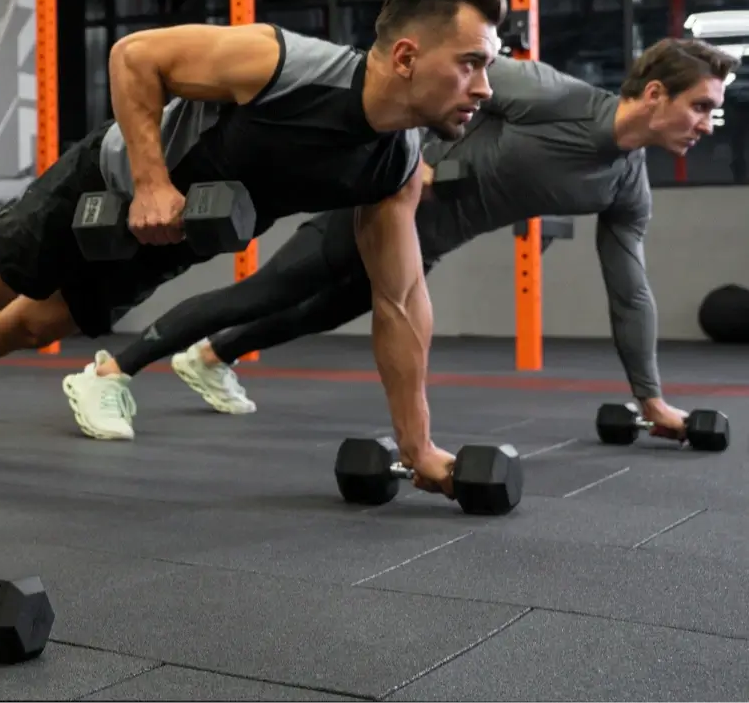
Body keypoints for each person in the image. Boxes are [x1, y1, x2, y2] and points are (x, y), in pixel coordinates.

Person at [0, 0, 505, 489]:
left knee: (27, 329)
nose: (484, 85)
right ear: (406, 56)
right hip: (103, 187)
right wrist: (152, 180)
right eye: (471, 61)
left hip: (167, 237)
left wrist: (418, 445)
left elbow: (401, 305)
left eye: (489, 65)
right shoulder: (283, 63)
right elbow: (137, 57)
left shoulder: (393, 168)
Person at [144, 36, 736, 444]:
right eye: (702, 107)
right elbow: (431, 81)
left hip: (424, 246)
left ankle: (209, 357)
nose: (709, 126)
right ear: (656, 94)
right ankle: (110, 371)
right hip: (378, 207)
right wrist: (414, 156)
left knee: (316, 314)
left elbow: (630, 293)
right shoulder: (555, 96)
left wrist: (651, 398)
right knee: (266, 293)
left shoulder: (627, 186)